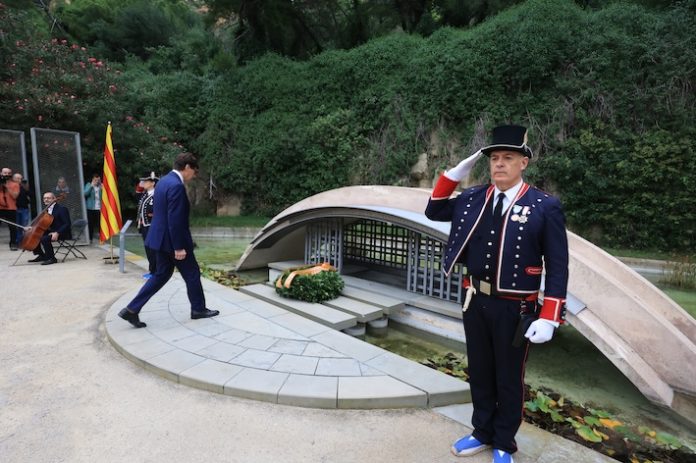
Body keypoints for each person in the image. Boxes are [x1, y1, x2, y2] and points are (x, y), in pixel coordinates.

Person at [425, 125, 568, 463]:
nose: (499, 164)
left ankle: (504, 442)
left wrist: (550, 316)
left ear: (524, 163)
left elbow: (558, 266)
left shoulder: (543, 206)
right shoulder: (474, 197)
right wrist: (453, 175)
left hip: (516, 308)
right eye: (494, 158)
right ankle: (481, 431)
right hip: (475, 300)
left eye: (508, 158)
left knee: (508, 377)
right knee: (480, 371)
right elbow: (434, 210)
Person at [118, 153, 219, 328]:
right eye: (194, 172)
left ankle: (131, 310)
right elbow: (175, 219)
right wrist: (179, 247)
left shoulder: (163, 181)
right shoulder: (176, 186)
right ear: (187, 167)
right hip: (172, 242)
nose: (193, 176)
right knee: (192, 272)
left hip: (159, 239)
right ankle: (198, 309)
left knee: (160, 275)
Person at [28, 192, 72, 266]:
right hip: (51, 231)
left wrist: (57, 232)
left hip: (62, 233)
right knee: (33, 235)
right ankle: (42, 255)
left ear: (54, 199)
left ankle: (51, 258)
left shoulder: (62, 209)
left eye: (48, 198)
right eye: (44, 198)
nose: (46, 200)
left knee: (44, 238)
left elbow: (67, 224)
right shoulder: (46, 210)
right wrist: (32, 228)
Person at [136, 172, 158, 278]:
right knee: (147, 248)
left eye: (146, 181)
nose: (143, 183)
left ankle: (155, 271)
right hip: (145, 226)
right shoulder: (145, 195)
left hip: (152, 226)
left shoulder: (157, 195)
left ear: (153, 183)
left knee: (153, 249)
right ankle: (152, 270)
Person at [0, 167, 20, 250]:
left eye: (8, 173)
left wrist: (7, 186)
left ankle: (13, 244)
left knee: (12, 227)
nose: (7, 175)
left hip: (11, 208)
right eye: (5, 173)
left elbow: (15, 196)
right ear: (1, 173)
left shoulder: (15, 184)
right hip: (0, 208)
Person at [83, 173, 102, 242]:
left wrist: (103, 189)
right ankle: (90, 238)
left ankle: (101, 237)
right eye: (95, 180)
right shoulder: (88, 185)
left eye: (98, 180)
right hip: (90, 208)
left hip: (99, 208)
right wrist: (91, 186)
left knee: (101, 223)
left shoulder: (101, 186)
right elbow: (85, 194)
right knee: (90, 224)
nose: (97, 181)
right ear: (93, 180)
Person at [13, 173, 31, 246]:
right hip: (15, 209)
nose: (19, 180)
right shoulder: (12, 187)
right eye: (17, 178)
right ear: (14, 179)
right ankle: (18, 241)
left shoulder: (23, 187)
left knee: (25, 226)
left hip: (24, 208)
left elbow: (31, 195)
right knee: (17, 226)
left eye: (20, 178)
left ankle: (25, 241)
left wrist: (26, 188)